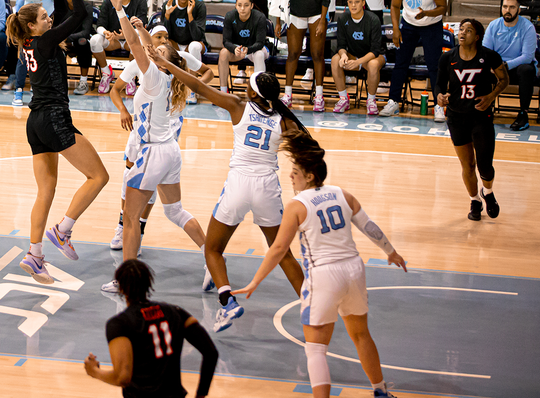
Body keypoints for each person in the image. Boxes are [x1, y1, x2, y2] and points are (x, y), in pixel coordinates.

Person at [235, 130, 407, 398]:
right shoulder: (343, 194)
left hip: (324, 275)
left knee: (315, 349)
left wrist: (255, 280)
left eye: (295, 172)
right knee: (361, 335)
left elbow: (279, 248)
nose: (291, 176)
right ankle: (380, 391)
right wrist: (391, 252)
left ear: (310, 176)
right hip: (354, 269)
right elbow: (369, 226)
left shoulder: (296, 205)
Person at [150, 54, 309, 333]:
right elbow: (308, 153)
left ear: (251, 92)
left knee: (212, 249)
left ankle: (227, 302)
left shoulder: (238, 106)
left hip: (238, 185)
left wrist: (169, 67)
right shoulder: (285, 121)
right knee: (282, 253)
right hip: (267, 188)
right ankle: (311, 306)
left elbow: (198, 87)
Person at [100, 0, 211, 292]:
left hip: (152, 152)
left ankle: (123, 280)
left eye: (159, 50)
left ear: (162, 61)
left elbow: (138, 48)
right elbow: (150, 49)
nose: (153, 49)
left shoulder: (152, 78)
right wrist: (144, 32)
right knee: (175, 212)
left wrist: (121, 13)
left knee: (131, 218)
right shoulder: (171, 78)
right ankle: (211, 258)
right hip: (171, 153)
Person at [6, 0, 109, 284]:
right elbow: (79, 15)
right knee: (98, 176)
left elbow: (62, 13)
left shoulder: (28, 43)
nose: (50, 19)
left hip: (34, 122)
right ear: (35, 26)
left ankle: (34, 255)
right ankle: (63, 231)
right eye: (45, 17)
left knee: (45, 191)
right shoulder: (46, 40)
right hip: (53, 118)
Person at [84, 260, 219, 398]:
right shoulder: (176, 312)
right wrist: (201, 395)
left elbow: (122, 378)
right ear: (149, 283)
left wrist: (94, 371)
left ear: (121, 288)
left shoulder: (119, 324)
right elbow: (211, 352)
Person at [437, 19, 508, 221]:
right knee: (467, 165)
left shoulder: (490, 56)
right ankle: (475, 200)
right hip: (456, 117)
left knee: (485, 166)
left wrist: (492, 96)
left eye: (469, 30)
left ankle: (488, 191)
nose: (463, 32)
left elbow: (504, 80)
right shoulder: (447, 58)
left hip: (480, 116)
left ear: (477, 37)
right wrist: (439, 97)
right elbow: (439, 85)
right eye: (461, 29)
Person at [381, 0, 448, 120]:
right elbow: (395, 6)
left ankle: (439, 105)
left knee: (434, 66)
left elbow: (443, 8)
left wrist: (427, 13)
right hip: (408, 25)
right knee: (400, 63)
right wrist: (396, 29)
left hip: (431, 25)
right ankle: (393, 101)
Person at [275, 0, 331, 110]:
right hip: (295, 14)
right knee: (293, 54)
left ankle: (319, 96)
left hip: (315, 15)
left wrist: (322, 21)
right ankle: (288, 94)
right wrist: (278, 21)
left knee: (317, 54)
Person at [10, 0, 63, 104]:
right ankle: (18, 90)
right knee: (24, 54)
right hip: (30, 16)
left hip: (49, 17)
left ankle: (36, 88)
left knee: (43, 53)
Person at [483, 0, 538, 131]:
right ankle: (484, 109)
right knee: (481, 67)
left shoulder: (528, 27)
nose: (508, 10)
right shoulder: (493, 25)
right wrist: (493, 66)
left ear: (519, 10)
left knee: (526, 70)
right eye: (505, 7)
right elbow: (486, 51)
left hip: (517, 68)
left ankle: (523, 114)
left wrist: (505, 66)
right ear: (501, 8)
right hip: (498, 67)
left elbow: (527, 56)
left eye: (512, 7)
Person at [92, 0, 149, 93]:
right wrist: (105, 33)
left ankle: (130, 77)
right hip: (113, 40)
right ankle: (106, 73)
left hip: (131, 41)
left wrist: (128, 34)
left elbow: (142, 24)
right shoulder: (109, 0)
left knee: (139, 39)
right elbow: (100, 24)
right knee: (95, 40)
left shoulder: (140, 0)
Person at [331, 0, 385, 115]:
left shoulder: (373, 19)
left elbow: (376, 50)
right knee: (335, 60)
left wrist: (358, 62)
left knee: (372, 65)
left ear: (363, 3)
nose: (353, 5)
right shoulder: (343, 18)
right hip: (353, 55)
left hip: (374, 57)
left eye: (357, 2)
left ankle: (371, 101)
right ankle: (343, 98)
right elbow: (341, 45)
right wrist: (344, 55)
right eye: (350, 2)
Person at [163, 0, 207, 105]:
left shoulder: (199, 6)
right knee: (165, 46)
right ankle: (169, 87)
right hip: (176, 43)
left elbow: (198, 36)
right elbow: (165, 34)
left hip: (195, 43)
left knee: (194, 46)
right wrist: (167, 16)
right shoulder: (168, 5)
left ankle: (192, 89)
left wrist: (189, 14)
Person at [219, 0, 270, 91]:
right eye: (239, 5)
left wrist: (248, 49)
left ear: (251, 5)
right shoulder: (230, 16)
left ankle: (259, 92)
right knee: (223, 53)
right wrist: (234, 48)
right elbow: (226, 41)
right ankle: (223, 91)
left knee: (259, 55)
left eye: (246, 5)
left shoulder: (260, 17)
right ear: (236, 6)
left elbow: (260, 42)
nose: (242, 8)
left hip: (255, 49)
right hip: (238, 49)